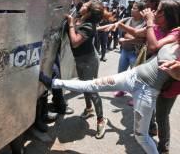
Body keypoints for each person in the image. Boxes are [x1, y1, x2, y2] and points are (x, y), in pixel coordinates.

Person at [39, 38, 180, 154]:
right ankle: (53, 82)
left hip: (146, 91)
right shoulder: (175, 36)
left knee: (141, 136)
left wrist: (176, 74)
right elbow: (149, 41)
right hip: (133, 75)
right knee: (91, 85)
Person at [58, 0, 108, 139]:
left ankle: (101, 119)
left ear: (89, 11)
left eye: (87, 3)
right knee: (83, 85)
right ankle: (88, 109)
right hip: (80, 60)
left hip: (88, 61)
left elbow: (74, 43)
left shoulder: (88, 25)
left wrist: (71, 24)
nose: (83, 3)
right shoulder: (81, 12)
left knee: (91, 89)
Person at [114, 1, 145, 101]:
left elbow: (142, 39)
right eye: (132, 7)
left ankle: (135, 97)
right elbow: (124, 33)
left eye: (135, 8)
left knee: (135, 76)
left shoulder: (144, 23)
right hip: (125, 51)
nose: (132, 9)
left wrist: (127, 38)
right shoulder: (128, 19)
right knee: (121, 72)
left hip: (135, 53)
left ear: (141, 11)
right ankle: (121, 89)